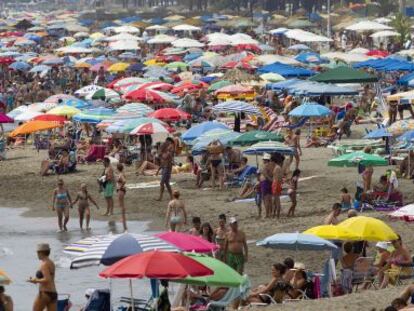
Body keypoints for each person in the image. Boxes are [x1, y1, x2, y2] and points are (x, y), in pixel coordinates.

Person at [28, 244, 57, 311]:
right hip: (53, 293)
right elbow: (50, 278)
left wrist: (35, 280)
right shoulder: (51, 263)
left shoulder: (44, 264)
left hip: (45, 293)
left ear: (41, 252)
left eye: (37, 253)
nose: (37, 254)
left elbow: (47, 279)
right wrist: (37, 280)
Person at [260, 153, 274, 218]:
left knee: (265, 199)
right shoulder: (272, 166)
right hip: (269, 182)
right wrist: (271, 180)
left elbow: (265, 175)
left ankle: (267, 214)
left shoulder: (265, 166)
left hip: (265, 182)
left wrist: (270, 180)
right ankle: (270, 212)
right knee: (270, 199)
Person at [271, 153, 284, 219]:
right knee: (275, 201)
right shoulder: (278, 167)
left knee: (277, 201)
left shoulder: (277, 168)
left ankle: (277, 215)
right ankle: (274, 214)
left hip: (276, 184)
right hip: (276, 184)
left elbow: (278, 178)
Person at [116, 163, 127, 232]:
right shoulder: (121, 173)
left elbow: (124, 181)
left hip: (121, 190)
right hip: (121, 190)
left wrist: (120, 186)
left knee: (121, 205)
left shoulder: (120, 175)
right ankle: (122, 218)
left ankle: (123, 219)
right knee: (121, 205)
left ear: (117, 168)